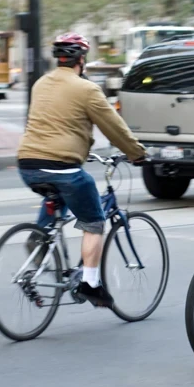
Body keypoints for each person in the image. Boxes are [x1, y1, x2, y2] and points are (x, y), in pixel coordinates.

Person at [17, 33, 147, 309]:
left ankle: (39, 240)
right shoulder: (86, 89)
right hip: (62, 166)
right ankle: (90, 283)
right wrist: (137, 153)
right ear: (82, 60)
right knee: (93, 221)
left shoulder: (41, 83)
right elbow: (114, 127)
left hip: (27, 164)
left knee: (58, 196)